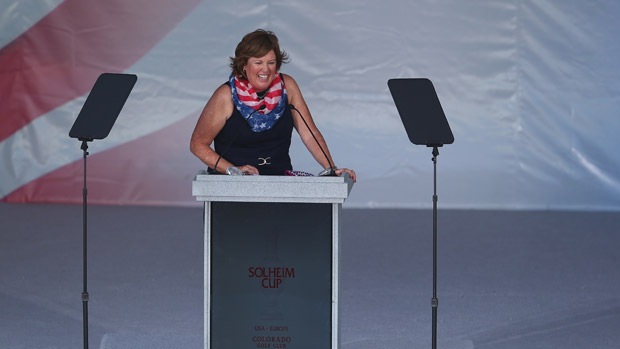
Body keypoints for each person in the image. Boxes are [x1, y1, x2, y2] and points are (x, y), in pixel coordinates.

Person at [190, 29, 356, 182]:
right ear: (243, 65)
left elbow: (309, 133)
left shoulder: (287, 86)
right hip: (233, 183)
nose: (265, 69)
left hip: (279, 182)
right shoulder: (225, 95)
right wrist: (232, 170)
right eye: (258, 62)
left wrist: (331, 168)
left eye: (271, 62)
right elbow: (198, 145)